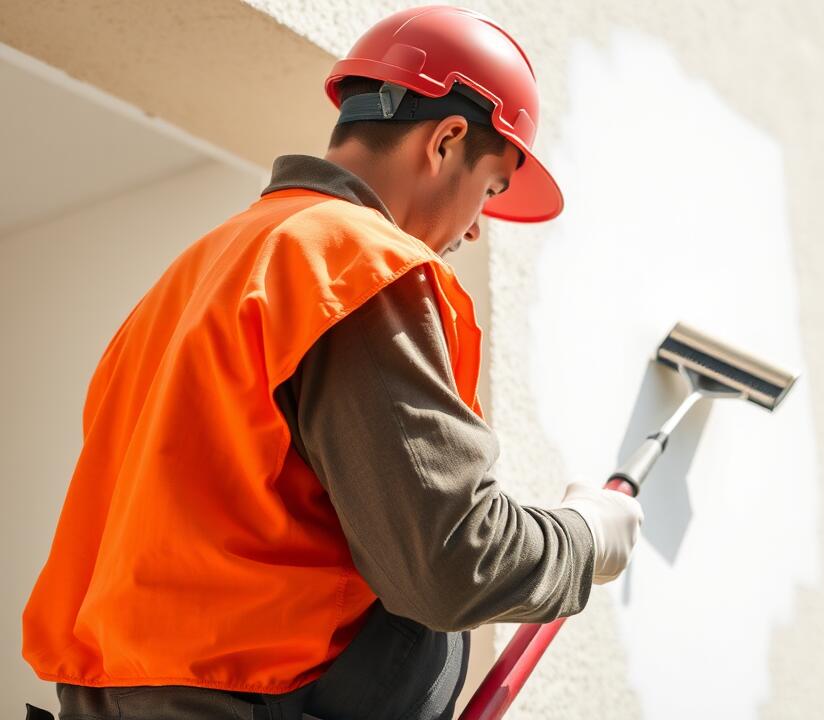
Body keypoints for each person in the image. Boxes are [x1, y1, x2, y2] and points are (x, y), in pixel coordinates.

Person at [21, 7, 643, 720]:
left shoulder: (196, 276)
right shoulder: (355, 265)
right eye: (493, 189)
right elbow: (448, 562)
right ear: (445, 141)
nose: (477, 226)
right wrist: (585, 537)